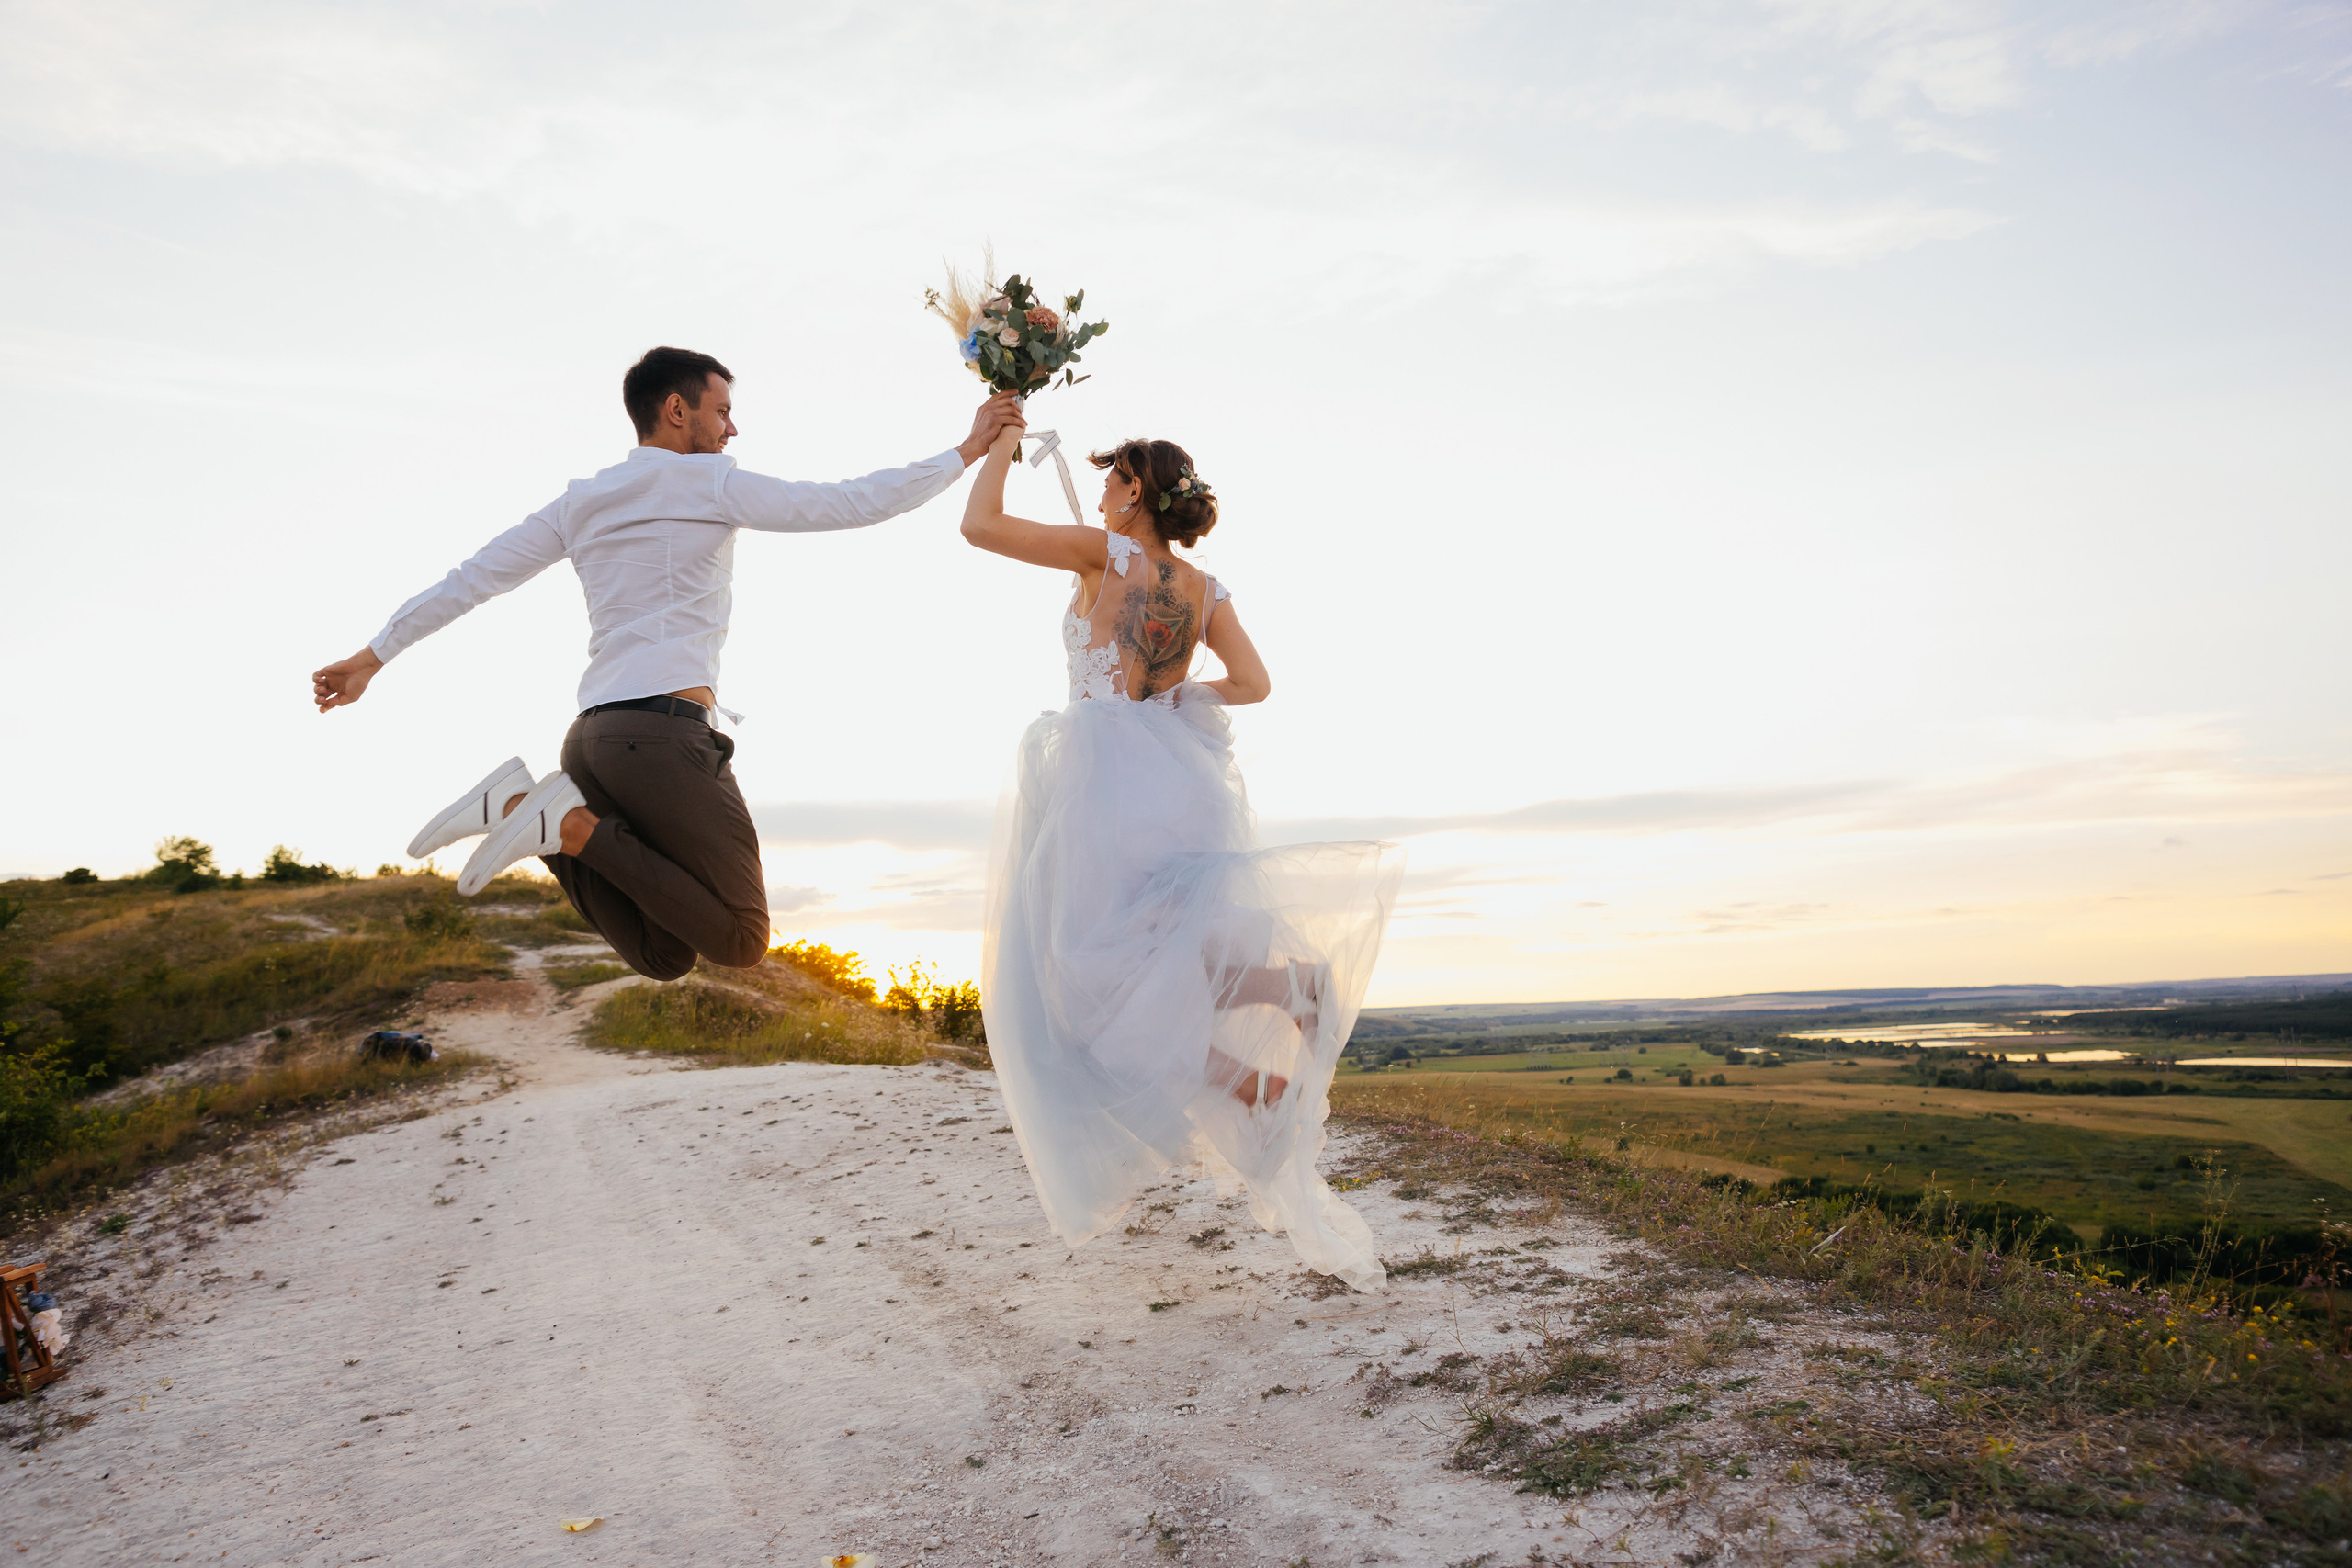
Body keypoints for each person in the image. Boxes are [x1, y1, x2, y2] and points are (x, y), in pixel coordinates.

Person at [311, 346, 1023, 980]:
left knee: (664, 951)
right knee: (743, 938)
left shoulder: (579, 501)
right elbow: (849, 502)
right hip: (663, 735)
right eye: (722, 411)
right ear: (677, 410)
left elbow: (473, 577)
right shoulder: (711, 483)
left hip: (591, 738)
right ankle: (567, 825)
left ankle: (525, 806)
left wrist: (373, 657)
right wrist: (965, 450)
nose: (732, 430)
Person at [958, 419, 1402, 1292]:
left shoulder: (1106, 556)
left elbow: (980, 527)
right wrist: (1178, 693)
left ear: (1135, 492)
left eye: (1111, 479)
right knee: (1168, 951)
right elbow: (1256, 683)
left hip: (1101, 783)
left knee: (1091, 982)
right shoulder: (1203, 587)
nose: (1099, 494)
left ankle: (1255, 1074)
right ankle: (1283, 1002)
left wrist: (1001, 439)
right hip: (1174, 775)